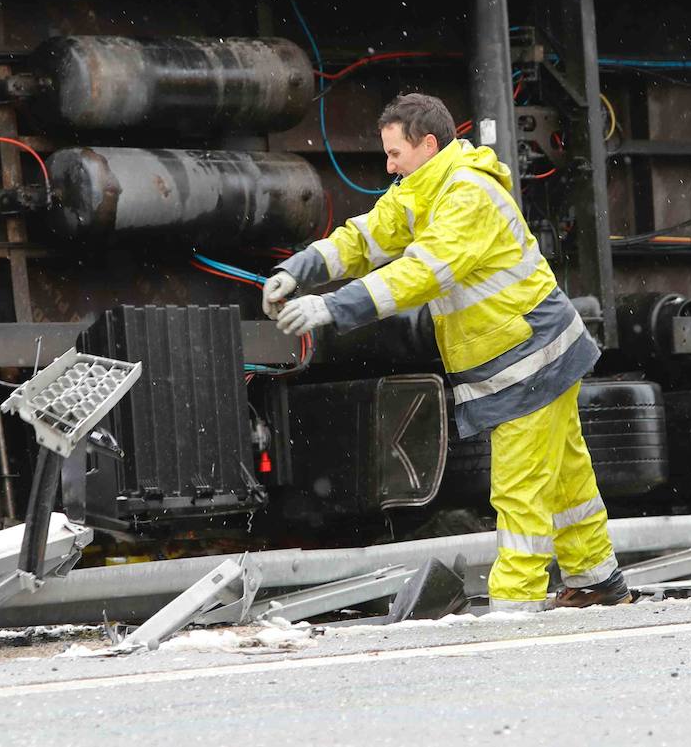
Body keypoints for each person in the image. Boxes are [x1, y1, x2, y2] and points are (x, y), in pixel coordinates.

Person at [265, 93, 630, 611]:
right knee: (567, 476)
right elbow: (364, 238)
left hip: (529, 356)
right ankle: (597, 581)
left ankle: (515, 606)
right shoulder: (420, 190)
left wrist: (332, 309)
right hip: (533, 351)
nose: (388, 165)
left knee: (519, 487)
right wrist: (298, 269)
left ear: (428, 144)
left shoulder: (467, 195)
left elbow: (422, 272)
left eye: (395, 153)